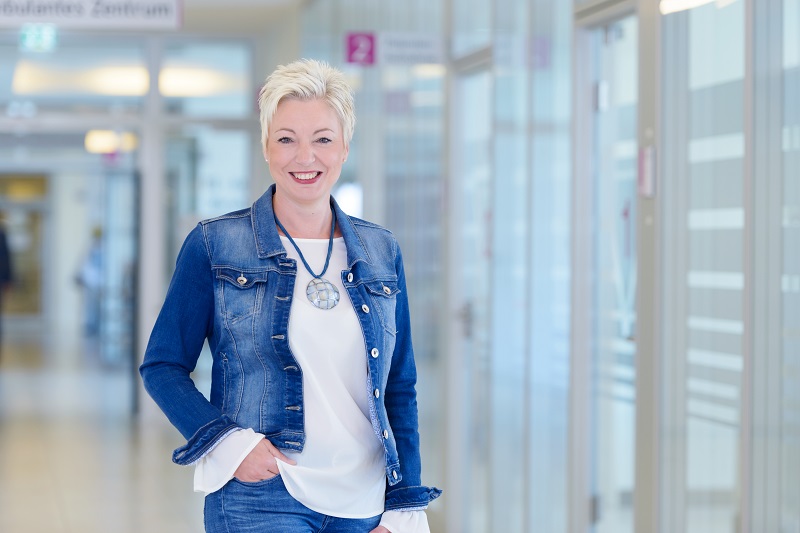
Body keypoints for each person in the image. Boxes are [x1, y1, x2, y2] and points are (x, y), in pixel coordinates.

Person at [140, 59, 441, 532]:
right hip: (262, 495)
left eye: (323, 138)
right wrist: (226, 443)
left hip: (364, 500)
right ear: (266, 147)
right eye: (286, 139)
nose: (306, 157)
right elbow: (162, 365)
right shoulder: (215, 245)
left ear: (344, 147)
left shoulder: (382, 250)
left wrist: (405, 506)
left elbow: (399, 385)